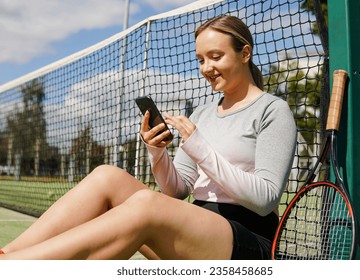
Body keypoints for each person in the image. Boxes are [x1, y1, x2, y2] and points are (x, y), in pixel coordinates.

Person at [0, 15, 296, 260]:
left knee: (145, 203)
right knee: (107, 175)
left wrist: (199, 148)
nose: (206, 68)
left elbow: (264, 198)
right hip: (194, 229)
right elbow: (178, 191)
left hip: (247, 242)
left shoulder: (273, 110)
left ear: (245, 53)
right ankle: (8, 256)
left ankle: (17, 267)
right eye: (200, 59)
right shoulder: (202, 114)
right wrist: (157, 152)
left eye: (216, 56)